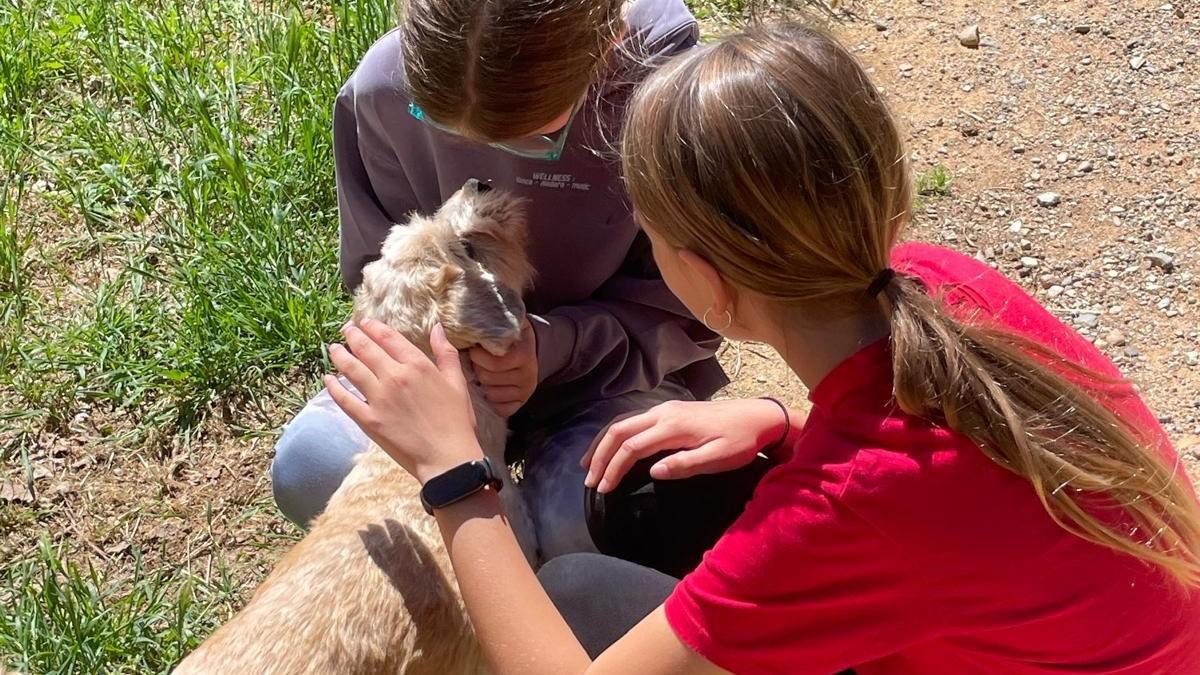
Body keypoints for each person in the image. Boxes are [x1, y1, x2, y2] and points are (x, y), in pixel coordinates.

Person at [322, 21, 1200, 675]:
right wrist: (782, 422)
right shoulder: (938, 280)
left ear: (708, 282)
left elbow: (873, 500)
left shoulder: (844, 512)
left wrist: (455, 473)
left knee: (579, 601)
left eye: (649, 232)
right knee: (636, 505)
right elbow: (940, 462)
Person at [270, 0, 735, 562]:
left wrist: (551, 348)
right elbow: (382, 274)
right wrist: (442, 369)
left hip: (609, 373)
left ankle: (549, 620)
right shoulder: (381, 93)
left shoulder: (670, 103)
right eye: (438, 123)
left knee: (583, 526)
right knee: (311, 466)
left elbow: (692, 312)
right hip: (449, 375)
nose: (484, 168)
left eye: (538, 138)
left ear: (609, 41)